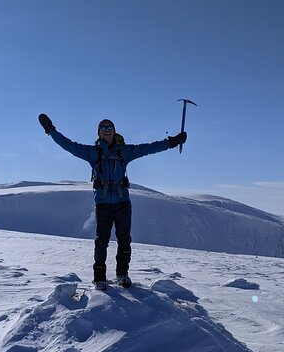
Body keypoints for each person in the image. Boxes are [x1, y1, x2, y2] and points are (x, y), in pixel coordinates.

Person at [38, 113, 187, 290]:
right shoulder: (92, 152)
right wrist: (51, 131)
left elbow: (149, 148)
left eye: (110, 127)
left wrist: (172, 142)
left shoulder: (124, 151)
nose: (107, 130)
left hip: (122, 203)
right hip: (103, 204)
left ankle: (122, 275)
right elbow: (68, 145)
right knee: (101, 241)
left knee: (125, 240)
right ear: (99, 133)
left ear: (114, 131)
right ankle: (99, 277)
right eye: (104, 128)